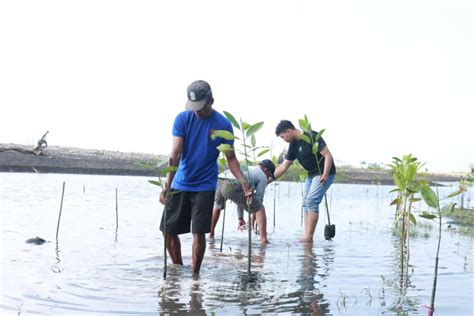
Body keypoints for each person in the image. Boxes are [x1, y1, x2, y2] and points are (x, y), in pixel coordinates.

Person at [159, 80, 251, 276]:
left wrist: (244, 183)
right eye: (193, 107)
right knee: (168, 230)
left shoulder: (223, 125)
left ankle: (194, 277)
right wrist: (167, 184)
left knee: (199, 232)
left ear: (211, 101)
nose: (197, 112)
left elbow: (231, 159)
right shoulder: (183, 119)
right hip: (180, 182)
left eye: (200, 107)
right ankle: (177, 269)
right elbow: (175, 153)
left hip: (205, 185)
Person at [273, 120, 336, 243]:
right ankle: (307, 236)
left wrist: (325, 174)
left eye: (283, 137)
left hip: (323, 173)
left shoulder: (311, 137)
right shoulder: (293, 145)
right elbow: (284, 166)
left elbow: (328, 155)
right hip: (311, 175)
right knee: (306, 203)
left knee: (312, 201)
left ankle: (309, 237)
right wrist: (269, 179)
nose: (283, 139)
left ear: (288, 131)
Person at [209, 159, 276, 245]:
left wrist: (240, 218)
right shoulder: (262, 175)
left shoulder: (250, 169)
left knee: (217, 206)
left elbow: (240, 197)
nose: (268, 178)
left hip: (220, 180)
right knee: (260, 208)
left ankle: (211, 234)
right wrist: (252, 222)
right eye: (269, 175)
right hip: (232, 183)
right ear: (266, 170)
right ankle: (264, 240)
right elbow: (258, 203)